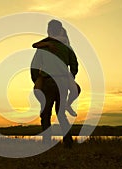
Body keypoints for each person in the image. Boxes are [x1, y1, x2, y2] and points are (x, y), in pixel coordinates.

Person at [30, 20, 79, 148]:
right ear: (60, 30)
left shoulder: (43, 47)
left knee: (45, 113)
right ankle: (68, 143)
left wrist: (37, 80)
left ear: (49, 30)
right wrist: (70, 78)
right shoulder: (67, 46)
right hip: (63, 82)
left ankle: (46, 143)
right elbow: (74, 65)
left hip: (48, 82)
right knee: (61, 113)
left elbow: (34, 66)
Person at [32, 27, 81, 117]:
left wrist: (36, 78)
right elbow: (74, 65)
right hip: (61, 77)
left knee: (38, 92)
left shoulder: (57, 44)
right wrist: (71, 75)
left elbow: (35, 48)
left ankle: (66, 105)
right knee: (74, 91)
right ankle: (67, 105)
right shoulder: (60, 44)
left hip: (54, 77)